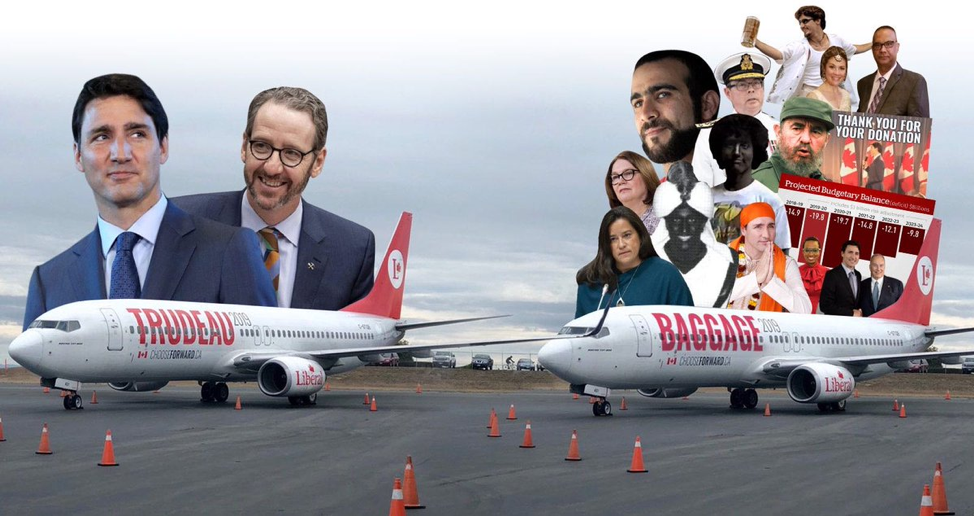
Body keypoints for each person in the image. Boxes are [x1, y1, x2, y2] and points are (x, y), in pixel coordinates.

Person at [24, 74, 277, 329]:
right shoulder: (49, 283)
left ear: (163, 147)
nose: (120, 154)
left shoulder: (229, 251)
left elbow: (267, 359)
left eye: (137, 134)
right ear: (78, 155)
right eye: (101, 136)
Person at [173, 87, 375, 311]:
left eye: (291, 153)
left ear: (317, 162)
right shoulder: (177, 224)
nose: (272, 167)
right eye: (261, 146)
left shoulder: (352, 250)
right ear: (244, 146)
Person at [575, 207, 693, 317]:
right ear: (606, 244)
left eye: (627, 235)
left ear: (640, 236)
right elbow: (578, 336)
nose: (621, 245)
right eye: (613, 239)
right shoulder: (590, 281)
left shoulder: (666, 275)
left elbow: (690, 329)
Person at [651, 162, 737, 309]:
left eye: (691, 219)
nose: (684, 229)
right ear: (667, 221)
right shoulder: (648, 260)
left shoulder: (727, 259)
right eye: (677, 219)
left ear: (703, 220)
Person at [630, 50, 721, 186]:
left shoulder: (754, 189)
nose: (645, 114)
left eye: (663, 95)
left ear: (707, 105)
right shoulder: (649, 203)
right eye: (638, 103)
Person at [708, 115, 791, 253]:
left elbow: (783, 257)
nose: (736, 152)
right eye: (729, 145)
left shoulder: (771, 201)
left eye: (744, 146)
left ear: (755, 151)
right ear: (719, 151)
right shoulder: (705, 199)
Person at [752, 6, 869, 103]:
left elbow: (855, 49)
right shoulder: (799, 47)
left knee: (836, 128)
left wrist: (876, 43)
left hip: (833, 93)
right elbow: (778, 54)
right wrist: (755, 41)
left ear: (818, 20)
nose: (802, 26)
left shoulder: (836, 41)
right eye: (800, 23)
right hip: (807, 95)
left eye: (805, 21)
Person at [727, 203, 811, 313]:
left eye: (771, 226)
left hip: (761, 329)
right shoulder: (723, 256)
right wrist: (755, 280)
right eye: (758, 227)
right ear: (744, 230)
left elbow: (805, 310)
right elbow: (708, 295)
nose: (766, 235)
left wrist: (771, 282)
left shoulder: (786, 264)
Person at [752, 97, 834, 192]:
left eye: (815, 131)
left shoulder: (828, 191)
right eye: (797, 129)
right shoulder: (752, 184)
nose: (806, 139)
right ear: (778, 132)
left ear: (826, 140)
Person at [713, 52, 779, 156]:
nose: (751, 89)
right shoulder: (713, 133)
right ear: (728, 93)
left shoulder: (781, 130)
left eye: (756, 83)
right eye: (742, 85)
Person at [857, 26, 929, 118]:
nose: (882, 50)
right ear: (872, 49)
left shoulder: (914, 82)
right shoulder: (863, 84)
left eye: (888, 44)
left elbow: (920, 128)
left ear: (897, 47)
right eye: (877, 45)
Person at [605, 151, 662, 235]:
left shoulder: (666, 219)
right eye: (615, 177)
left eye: (628, 173)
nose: (620, 181)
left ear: (646, 175)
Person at [819, 240, 862, 316]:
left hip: (854, 324)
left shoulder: (858, 275)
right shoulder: (832, 275)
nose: (853, 257)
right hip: (836, 324)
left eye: (856, 253)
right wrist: (851, 313)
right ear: (842, 253)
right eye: (850, 252)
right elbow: (825, 306)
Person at [806, 46, 851, 111]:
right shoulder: (814, 97)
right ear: (824, 68)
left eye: (841, 68)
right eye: (832, 67)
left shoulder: (846, 95)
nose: (837, 73)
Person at [798, 236, 829, 313]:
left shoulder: (829, 273)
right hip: (798, 316)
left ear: (819, 251)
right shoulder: (795, 271)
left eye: (815, 250)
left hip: (820, 318)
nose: (811, 254)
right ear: (803, 251)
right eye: (807, 250)